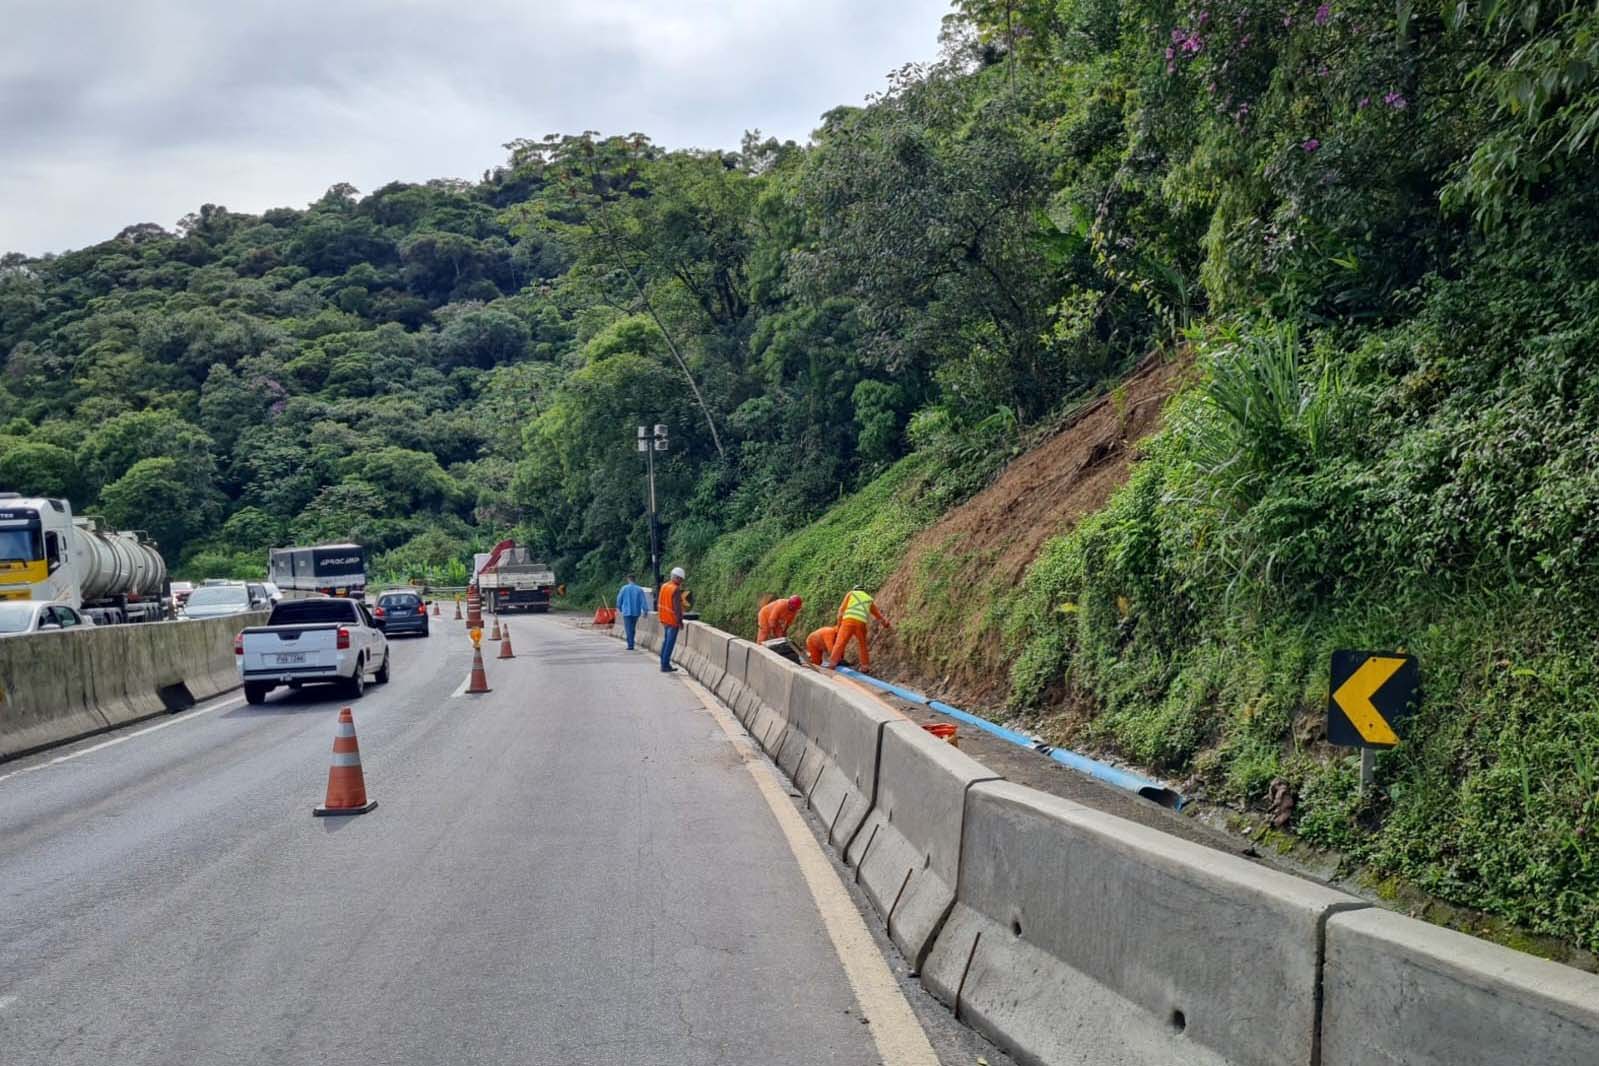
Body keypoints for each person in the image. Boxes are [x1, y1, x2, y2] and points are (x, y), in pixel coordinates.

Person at [822, 588, 892, 671]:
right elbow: (878, 616)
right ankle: (865, 667)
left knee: (840, 643)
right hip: (861, 623)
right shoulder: (869, 599)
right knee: (863, 644)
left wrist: (839, 625)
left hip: (848, 622)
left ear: (855, 589)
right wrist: (885, 624)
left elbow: (841, 611)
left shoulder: (851, 594)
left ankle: (832, 664)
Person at [658, 566, 686, 673]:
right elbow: (677, 608)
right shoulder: (675, 589)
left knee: (665, 642)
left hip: (664, 619)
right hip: (672, 620)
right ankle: (665, 665)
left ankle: (663, 662)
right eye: (681, 579)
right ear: (677, 578)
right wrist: (680, 621)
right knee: (670, 643)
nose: (681, 582)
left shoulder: (664, 586)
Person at [616, 574, 647, 650]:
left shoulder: (624, 588)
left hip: (626, 612)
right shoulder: (639, 589)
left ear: (628, 579)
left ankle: (630, 645)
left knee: (628, 628)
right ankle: (631, 643)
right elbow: (643, 601)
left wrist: (619, 607)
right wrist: (645, 610)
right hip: (636, 612)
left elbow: (619, 599)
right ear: (635, 579)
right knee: (632, 628)